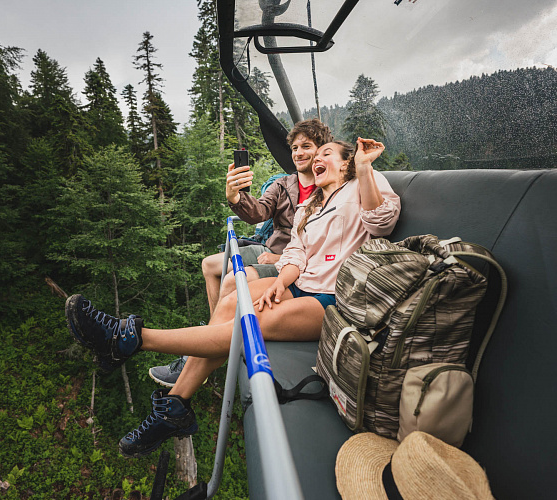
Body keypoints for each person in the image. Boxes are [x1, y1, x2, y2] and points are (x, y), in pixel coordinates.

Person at [65, 137, 401, 458]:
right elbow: (296, 253)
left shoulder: (364, 184)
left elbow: (381, 221)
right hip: (301, 284)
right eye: (315, 155)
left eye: (326, 153)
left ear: (346, 163)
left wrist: (365, 166)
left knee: (247, 323)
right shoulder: (309, 206)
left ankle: (130, 340)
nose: (316, 159)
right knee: (229, 302)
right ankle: (175, 406)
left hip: (332, 297)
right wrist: (279, 283)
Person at [148, 119, 333, 388]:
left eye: (306, 146)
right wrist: (235, 196)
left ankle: (207, 349)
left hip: (290, 261)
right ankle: (213, 337)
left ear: (321, 150)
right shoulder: (283, 185)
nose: (298, 153)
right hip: (273, 248)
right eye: (294, 147)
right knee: (210, 265)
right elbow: (259, 211)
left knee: (233, 281)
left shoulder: (329, 186)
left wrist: (280, 259)